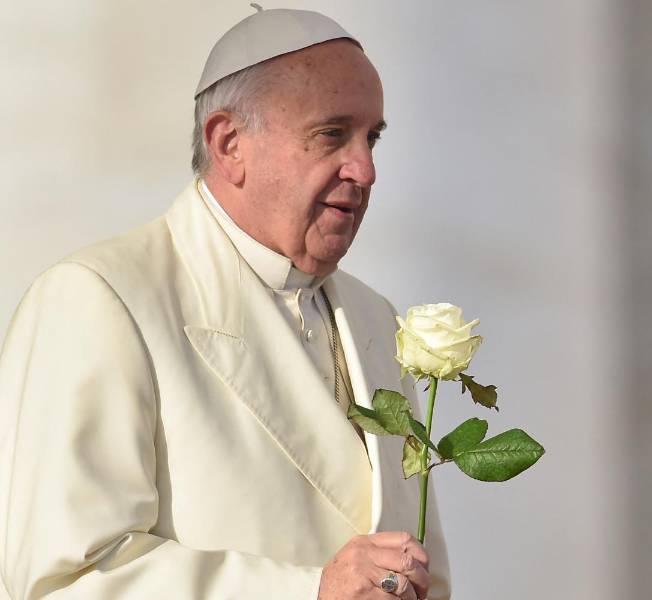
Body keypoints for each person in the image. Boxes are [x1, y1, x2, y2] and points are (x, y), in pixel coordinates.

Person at [0, 7, 450, 599]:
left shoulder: (377, 320)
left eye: (373, 138)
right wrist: (308, 592)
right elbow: (62, 582)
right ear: (229, 143)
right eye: (332, 134)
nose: (365, 170)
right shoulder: (99, 299)